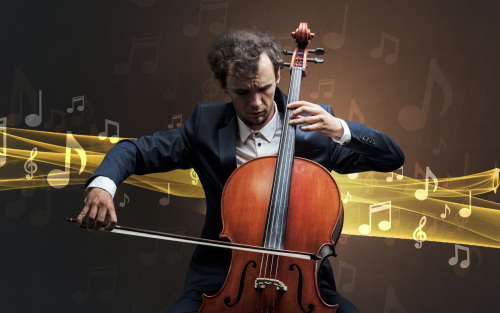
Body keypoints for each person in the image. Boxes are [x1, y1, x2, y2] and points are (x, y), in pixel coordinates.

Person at [77, 28, 404, 313]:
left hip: (304, 284)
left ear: (278, 75)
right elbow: (133, 151)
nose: (257, 103)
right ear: (223, 85)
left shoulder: (316, 129)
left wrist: (340, 129)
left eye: (263, 89)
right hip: (222, 278)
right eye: (243, 93)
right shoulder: (205, 125)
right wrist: (103, 186)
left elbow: (391, 157)